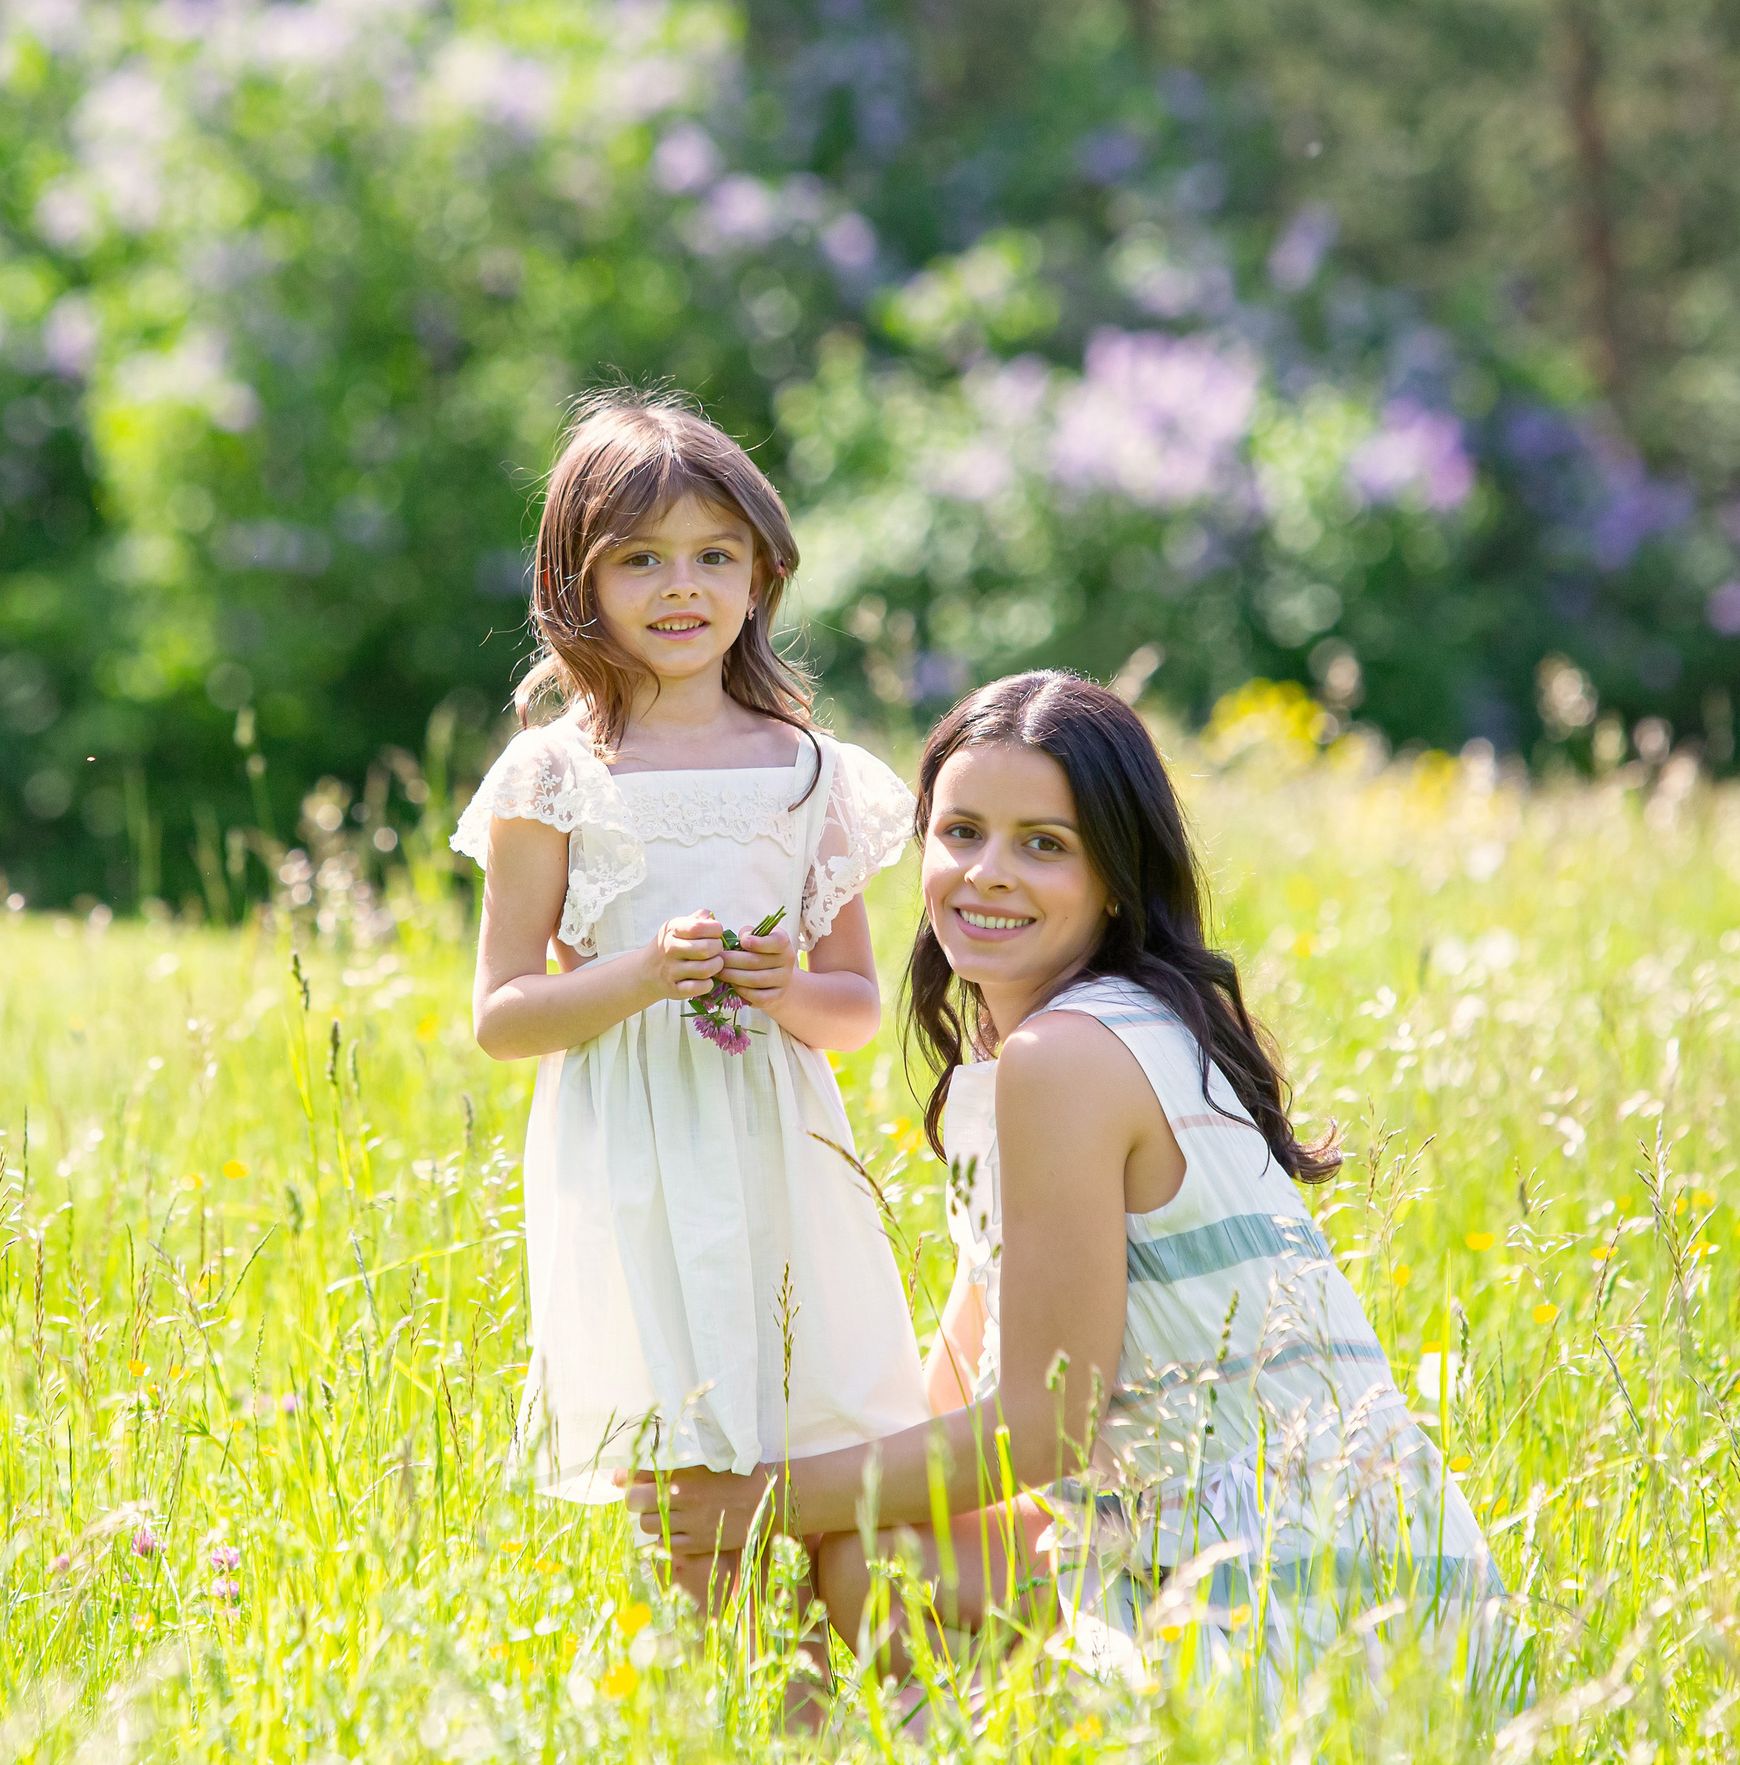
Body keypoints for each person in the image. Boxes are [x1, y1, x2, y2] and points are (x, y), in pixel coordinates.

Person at [627, 671, 1523, 1710]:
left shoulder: (1071, 1055)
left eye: (1042, 843)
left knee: (854, 1560)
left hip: (1303, 1591)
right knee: (867, 1560)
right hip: (1319, 1565)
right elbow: (945, 1400)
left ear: (1113, 875)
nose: (985, 874)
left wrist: (761, 1502)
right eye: (959, 832)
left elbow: (1038, 1429)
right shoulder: (1077, 1044)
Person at [454, 388, 927, 1606]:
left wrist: (782, 989)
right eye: (642, 561)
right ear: (578, 582)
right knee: (679, 1466)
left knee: (829, 1421)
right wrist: (638, 973)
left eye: (716, 556)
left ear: (761, 573)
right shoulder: (554, 773)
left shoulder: (807, 768)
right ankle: (694, 1697)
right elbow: (504, 1012)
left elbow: (854, 1007)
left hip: (782, 1139)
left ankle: (834, 1689)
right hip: (635, 1153)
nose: (683, 587)